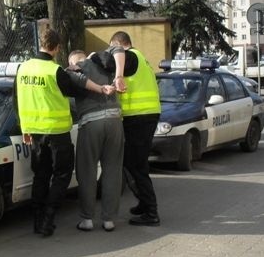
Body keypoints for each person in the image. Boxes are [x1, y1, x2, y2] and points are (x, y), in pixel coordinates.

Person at [14, 28, 115, 237]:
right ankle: (49, 218)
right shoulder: (55, 71)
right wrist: (98, 86)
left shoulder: (22, 69)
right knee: (61, 175)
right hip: (57, 133)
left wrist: (24, 128)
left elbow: (17, 100)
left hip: (34, 133)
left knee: (40, 176)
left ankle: (37, 221)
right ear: (57, 47)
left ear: (40, 44)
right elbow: (76, 89)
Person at [92, 31, 162, 226]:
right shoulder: (139, 58)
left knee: (136, 166)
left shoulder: (129, 56)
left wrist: (91, 58)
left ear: (118, 44)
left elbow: (113, 54)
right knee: (134, 164)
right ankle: (144, 203)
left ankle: (151, 212)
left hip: (139, 117)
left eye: (112, 48)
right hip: (144, 115)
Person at [67, 50, 124, 232]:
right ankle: (109, 220)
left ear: (75, 61)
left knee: (87, 171)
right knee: (113, 170)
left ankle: (87, 219)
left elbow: (69, 75)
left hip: (91, 123)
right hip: (115, 120)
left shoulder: (79, 68)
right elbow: (118, 48)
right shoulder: (105, 64)